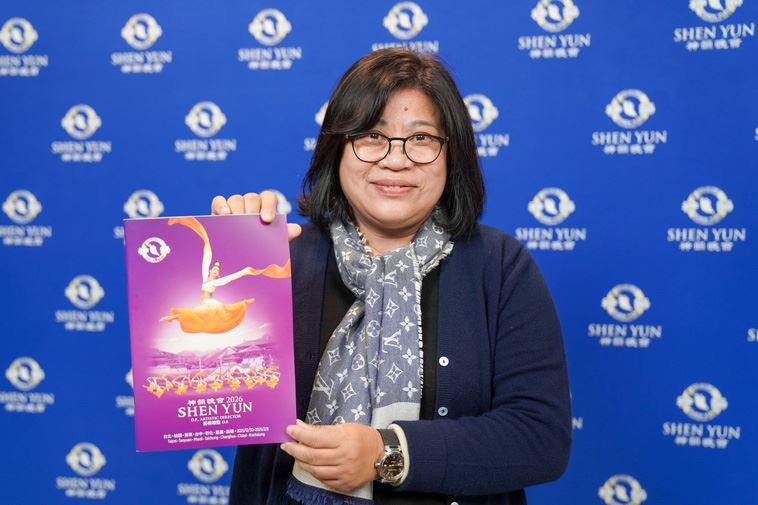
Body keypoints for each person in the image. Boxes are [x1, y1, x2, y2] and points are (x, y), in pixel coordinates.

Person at [211, 48, 571, 504]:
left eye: (420, 138)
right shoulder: (282, 259)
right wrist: (233, 267)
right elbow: (210, 399)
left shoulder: (499, 266)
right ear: (336, 149)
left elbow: (540, 437)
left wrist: (387, 453)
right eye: (371, 136)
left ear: (452, 154)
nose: (395, 160)